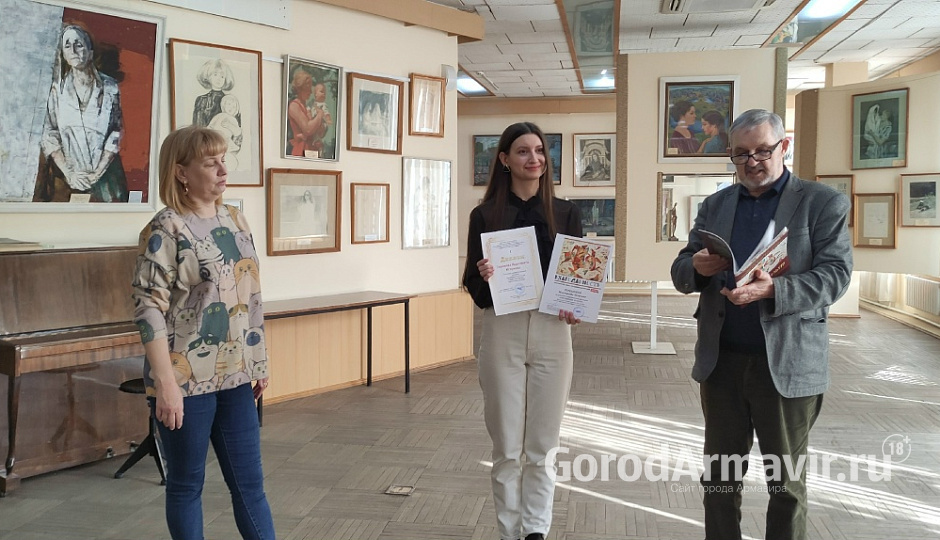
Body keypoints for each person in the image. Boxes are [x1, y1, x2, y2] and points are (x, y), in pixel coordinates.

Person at [670, 109, 852, 540]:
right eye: (740, 154)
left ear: (784, 147)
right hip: (722, 364)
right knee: (719, 480)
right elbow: (682, 270)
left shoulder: (822, 202)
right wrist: (696, 267)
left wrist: (774, 290)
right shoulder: (716, 205)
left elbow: (836, 276)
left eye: (763, 151)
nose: (751, 162)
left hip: (787, 365)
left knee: (785, 485)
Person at [132, 126, 275, 540]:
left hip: (235, 375)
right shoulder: (166, 228)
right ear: (181, 172)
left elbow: (250, 297)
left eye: (223, 160)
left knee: (250, 486)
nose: (223, 170)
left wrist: (257, 362)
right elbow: (148, 309)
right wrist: (166, 385)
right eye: (210, 163)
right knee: (186, 485)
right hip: (184, 379)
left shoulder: (235, 219)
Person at [462, 122, 583, 540]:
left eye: (539, 151)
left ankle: (535, 530)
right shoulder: (485, 215)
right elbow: (475, 288)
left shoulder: (567, 213)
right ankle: (509, 532)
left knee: (544, 444)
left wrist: (576, 303)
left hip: (553, 331)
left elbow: (576, 279)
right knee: (507, 446)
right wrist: (483, 275)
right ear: (504, 160)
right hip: (503, 329)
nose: (534, 159)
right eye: (523, 151)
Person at [35, 24, 127, 202]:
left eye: (79, 44)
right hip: (67, 178)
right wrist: (69, 173)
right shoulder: (56, 91)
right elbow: (49, 133)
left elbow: (116, 131)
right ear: (63, 54)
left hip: (105, 178)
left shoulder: (110, 88)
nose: (73, 50)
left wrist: (97, 173)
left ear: (90, 52)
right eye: (67, 45)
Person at [286, 70, 330, 157]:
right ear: (300, 88)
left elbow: (320, 132)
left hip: (312, 150)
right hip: (301, 149)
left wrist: (321, 127)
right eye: (308, 88)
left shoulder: (308, 106)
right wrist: (320, 115)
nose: (310, 91)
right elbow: (308, 129)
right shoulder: (294, 106)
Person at [192, 59, 239, 128]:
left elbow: (237, 126)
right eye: (215, 74)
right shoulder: (201, 100)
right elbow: (197, 127)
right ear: (208, 76)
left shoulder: (230, 101)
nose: (218, 79)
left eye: (222, 76)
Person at [207, 94, 243, 170]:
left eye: (233, 107)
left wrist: (230, 126)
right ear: (223, 105)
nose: (231, 108)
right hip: (215, 138)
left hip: (226, 140)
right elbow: (210, 126)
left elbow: (237, 132)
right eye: (229, 104)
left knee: (226, 153)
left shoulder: (233, 119)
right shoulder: (218, 116)